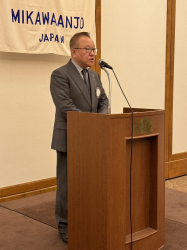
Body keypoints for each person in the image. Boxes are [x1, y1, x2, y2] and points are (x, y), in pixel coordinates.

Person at [50, 32, 108, 244]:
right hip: (70, 138)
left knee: (88, 182)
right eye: (88, 49)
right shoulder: (60, 74)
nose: (93, 53)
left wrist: (99, 124)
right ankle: (64, 225)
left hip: (93, 139)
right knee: (67, 184)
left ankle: (86, 218)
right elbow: (65, 107)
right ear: (74, 52)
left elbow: (104, 102)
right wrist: (92, 125)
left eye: (94, 49)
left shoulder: (94, 75)